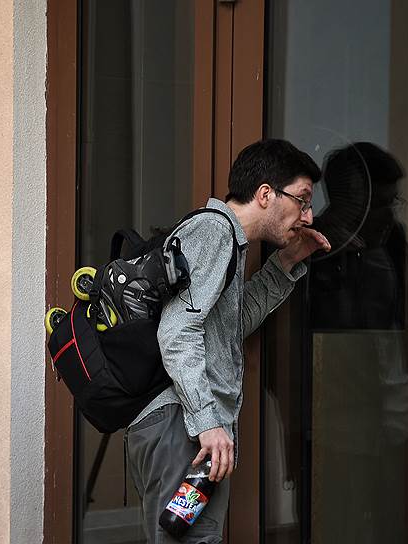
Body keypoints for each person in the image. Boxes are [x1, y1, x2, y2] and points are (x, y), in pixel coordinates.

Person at [123, 139, 331, 543]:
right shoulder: (214, 231)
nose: (308, 215)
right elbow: (176, 333)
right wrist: (208, 422)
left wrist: (287, 262)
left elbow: (226, 329)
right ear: (266, 194)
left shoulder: (227, 241)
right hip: (181, 424)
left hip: (182, 423)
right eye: (303, 200)